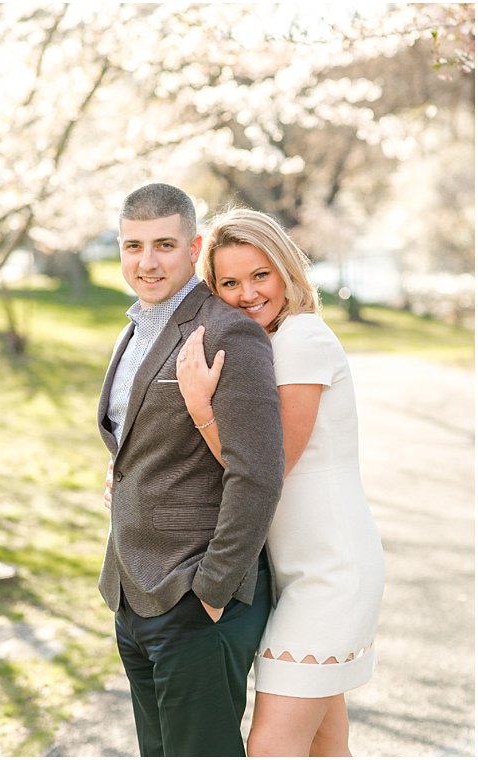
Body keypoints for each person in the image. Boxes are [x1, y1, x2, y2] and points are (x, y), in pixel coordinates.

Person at [175, 207, 384, 756]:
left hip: (329, 574)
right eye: (230, 282)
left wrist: (200, 406)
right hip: (295, 573)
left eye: (260, 275)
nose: (246, 294)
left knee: (271, 748)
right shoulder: (267, 343)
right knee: (325, 744)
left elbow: (268, 464)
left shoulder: (301, 338)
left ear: (287, 271)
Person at [97, 183, 285, 756]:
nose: (146, 262)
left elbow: (257, 472)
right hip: (133, 594)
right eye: (132, 246)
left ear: (194, 246)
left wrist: (212, 590)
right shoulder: (135, 328)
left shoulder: (230, 333)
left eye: (163, 245)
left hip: (196, 600)